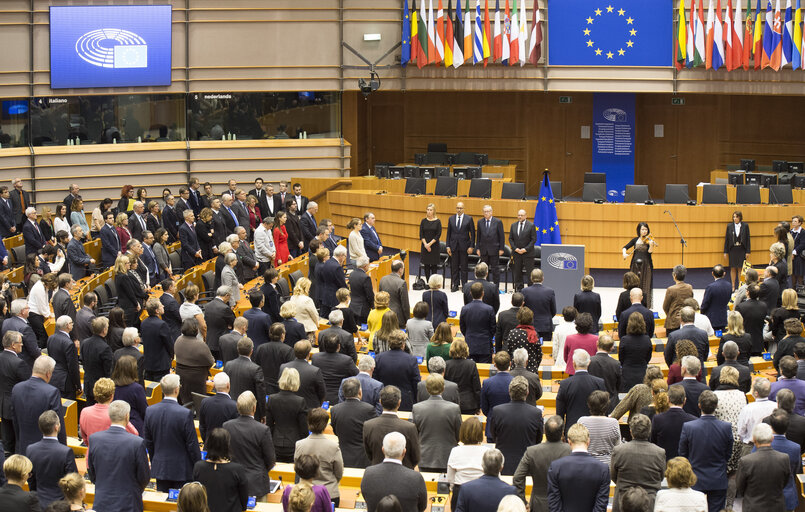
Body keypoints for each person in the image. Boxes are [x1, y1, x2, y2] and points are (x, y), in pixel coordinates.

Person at [87, 400, 150, 512]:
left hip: (102, 502)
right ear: (127, 416)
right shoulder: (137, 443)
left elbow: (92, 474)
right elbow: (144, 477)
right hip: (128, 504)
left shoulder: (94, 439)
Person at [143, 374, 201, 491]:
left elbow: (148, 442)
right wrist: (198, 466)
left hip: (160, 468)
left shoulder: (150, 411)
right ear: (176, 389)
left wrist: (157, 460)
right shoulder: (185, 413)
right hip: (182, 470)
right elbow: (192, 444)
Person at [678, 390, 733, 512]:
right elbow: (728, 454)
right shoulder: (726, 427)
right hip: (717, 478)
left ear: (699, 405)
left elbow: (682, 454)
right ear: (716, 406)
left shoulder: (689, 427)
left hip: (695, 479)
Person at [222, 391, 276, 500]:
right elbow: (271, 460)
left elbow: (224, 454)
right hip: (256, 484)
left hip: (233, 481)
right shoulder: (262, 429)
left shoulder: (227, 426)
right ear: (254, 408)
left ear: (238, 407)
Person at [547, 423, 610, 512]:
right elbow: (601, 505)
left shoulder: (556, 467)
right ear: (588, 441)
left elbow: (554, 504)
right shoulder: (603, 469)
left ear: (569, 442)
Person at [512, 415, 569, 512]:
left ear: (544, 432)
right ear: (562, 433)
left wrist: (523, 501)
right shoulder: (570, 451)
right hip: (563, 504)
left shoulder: (532, 451)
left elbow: (517, 478)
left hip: (538, 505)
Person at [609, 414, 666, 512]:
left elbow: (613, 476)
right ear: (649, 432)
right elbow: (661, 477)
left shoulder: (619, 450)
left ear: (631, 431)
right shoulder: (659, 452)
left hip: (622, 499)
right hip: (650, 503)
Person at [12, 355, 66, 455]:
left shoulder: (16, 389)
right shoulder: (52, 392)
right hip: (44, 453)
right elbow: (58, 424)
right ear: (48, 374)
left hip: (22, 449)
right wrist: (63, 451)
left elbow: (15, 422)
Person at [361, 432, 427, 512]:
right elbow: (422, 507)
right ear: (404, 452)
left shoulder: (369, 474)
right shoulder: (416, 478)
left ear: (383, 450)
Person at [490, 376, 543, 476]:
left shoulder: (497, 411)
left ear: (509, 391)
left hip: (503, 464)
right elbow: (538, 439)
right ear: (527, 393)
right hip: (526, 465)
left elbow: (494, 436)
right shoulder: (536, 413)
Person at [411, 374, 462, 472]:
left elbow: (415, 434)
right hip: (448, 456)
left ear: (427, 388)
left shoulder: (417, 408)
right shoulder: (454, 408)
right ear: (443, 388)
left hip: (425, 457)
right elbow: (459, 435)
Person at [735, 422, 791, 511]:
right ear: (772, 438)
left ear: (754, 439)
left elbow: (740, 487)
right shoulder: (784, 458)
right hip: (777, 507)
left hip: (753, 507)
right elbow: (785, 482)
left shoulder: (746, 461)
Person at [294, 409, 344, 506]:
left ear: (308, 423)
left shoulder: (299, 444)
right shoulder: (333, 446)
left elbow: (298, 469)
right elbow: (339, 472)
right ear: (325, 425)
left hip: (304, 492)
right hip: (329, 492)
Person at [362, 385, 421, 468]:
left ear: (380, 402)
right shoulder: (410, 428)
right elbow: (416, 457)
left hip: (377, 473)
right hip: (404, 475)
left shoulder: (368, 426)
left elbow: (369, 455)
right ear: (399, 403)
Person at [192, 428, 248, 512]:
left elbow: (195, 495)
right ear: (227, 445)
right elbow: (244, 498)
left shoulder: (198, 467)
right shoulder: (237, 469)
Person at [330, 377, 377, 468]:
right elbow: (373, 432)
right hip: (363, 457)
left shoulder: (335, 409)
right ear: (360, 392)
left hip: (342, 455)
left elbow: (336, 431)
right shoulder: (368, 409)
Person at [556, 349, 607, 433]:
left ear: (573, 363)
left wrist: (561, 432)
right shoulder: (599, 383)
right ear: (589, 363)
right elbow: (605, 409)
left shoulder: (565, 384)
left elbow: (560, 413)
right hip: (595, 430)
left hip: (572, 431)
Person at [265, 367, 309, 463]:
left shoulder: (272, 399)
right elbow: (304, 429)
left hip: (276, 443)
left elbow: (269, 425)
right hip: (294, 444)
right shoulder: (300, 401)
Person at [0, 331, 31, 455]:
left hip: (2, 405)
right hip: (16, 407)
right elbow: (29, 385)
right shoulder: (19, 363)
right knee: (19, 440)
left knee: (7, 441)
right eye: (20, 343)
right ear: (13, 345)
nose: (22, 345)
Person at [374, 330, 420, 411]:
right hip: (405, 401)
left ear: (389, 343)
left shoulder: (379, 358)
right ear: (403, 345)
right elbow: (416, 383)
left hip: (384, 400)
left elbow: (375, 381)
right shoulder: (411, 360)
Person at [311, 331, 358, 405]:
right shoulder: (346, 360)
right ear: (339, 346)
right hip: (338, 399)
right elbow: (356, 375)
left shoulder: (315, 357)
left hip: (319, 397)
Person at [174, 319, 214, 404]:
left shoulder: (178, 340)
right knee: (198, 402)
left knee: (184, 400)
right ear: (196, 329)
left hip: (181, 376)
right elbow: (211, 362)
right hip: (197, 378)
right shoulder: (200, 345)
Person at [80, 317, 115, 405]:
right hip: (101, 389)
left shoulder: (84, 342)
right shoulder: (105, 348)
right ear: (104, 330)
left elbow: (83, 362)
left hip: (88, 385)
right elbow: (108, 371)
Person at [459, 282, 496, 363]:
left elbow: (462, 327)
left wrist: (468, 335)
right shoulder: (489, 309)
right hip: (485, 345)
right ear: (483, 293)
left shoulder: (465, 309)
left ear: (470, 293)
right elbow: (493, 328)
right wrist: (487, 336)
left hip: (470, 345)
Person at [480, 351, 513, 441]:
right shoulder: (515, 381)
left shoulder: (487, 383)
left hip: (492, 425)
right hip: (511, 426)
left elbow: (484, 408)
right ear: (510, 364)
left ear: (495, 365)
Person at [45, 316, 80, 399]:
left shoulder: (50, 338)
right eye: (72, 323)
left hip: (53, 378)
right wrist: (78, 385)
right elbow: (73, 367)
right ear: (67, 325)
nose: (73, 325)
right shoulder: (69, 344)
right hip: (66, 383)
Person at [444, 339, 482, 415]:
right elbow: (477, 387)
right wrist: (478, 405)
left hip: (451, 402)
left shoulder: (446, 365)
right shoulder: (471, 364)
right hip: (469, 404)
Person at [502, 306, 542, 372]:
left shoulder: (512, 333)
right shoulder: (534, 334)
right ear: (531, 319)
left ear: (518, 318)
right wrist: (535, 366)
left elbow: (509, 351)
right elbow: (539, 354)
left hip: (515, 368)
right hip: (531, 369)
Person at [587, 335, 622, 412]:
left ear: (597, 344)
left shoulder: (589, 361)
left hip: (592, 402)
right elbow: (618, 385)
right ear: (611, 348)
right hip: (610, 403)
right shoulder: (616, 364)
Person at [445, 202, 474, 291]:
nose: (459, 210)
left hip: (464, 246)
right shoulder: (451, 218)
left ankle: (464, 284)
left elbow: (473, 234)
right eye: (457, 208)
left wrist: (471, 246)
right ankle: (455, 284)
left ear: (464, 209)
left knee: (464, 267)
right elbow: (448, 233)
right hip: (454, 246)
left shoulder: (469, 219)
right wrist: (448, 246)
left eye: (461, 208)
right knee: (454, 267)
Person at [522, 269, 556, 341]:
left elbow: (523, 309)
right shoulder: (550, 291)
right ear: (542, 278)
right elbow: (553, 311)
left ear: (531, 278)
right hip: (546, 326)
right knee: (546, 350)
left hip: (530, 326)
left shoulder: (524, 291)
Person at [474, 205, 505, 285]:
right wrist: (477, 248)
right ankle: (485, 285)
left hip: (494, 250)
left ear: (491, 212)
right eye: (485, 212)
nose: (486, 213)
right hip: (483, 250)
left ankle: (496, 287)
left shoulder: (498, 222)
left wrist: (501, 249)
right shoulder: (480, 222)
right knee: (484, 270)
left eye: (488, 211)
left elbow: (501, 236)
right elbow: (478, 237)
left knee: (495, 269)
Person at [509, 209, 537, 292]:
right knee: (517, 272)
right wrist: (515, 249)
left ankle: (530, 289)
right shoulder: (513, 225)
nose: (520, 217)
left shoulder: (531, 225)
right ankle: (519, 289)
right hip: (516, 253)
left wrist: (525, 249)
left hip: (528, 253)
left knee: (529, 273)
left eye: (521, 215)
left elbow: (533, 239)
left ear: (525, 216)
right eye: (518, 215)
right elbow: (510, 239)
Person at [736, 284, 768, 355]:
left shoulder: (741, 307)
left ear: (747, 292)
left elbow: (737, 325)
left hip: (744, 343)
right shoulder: (764, 306)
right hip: (758, 343)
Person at [724, 210, 751, 290]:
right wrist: (725, 251)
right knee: (732, 268)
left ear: (740, 218)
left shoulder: (745, 226)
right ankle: (732, 286)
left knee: (740, 268)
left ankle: (740, 286)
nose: (734, 218)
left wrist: (748, 251)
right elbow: (727, 239)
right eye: (734, 217)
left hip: (741, 249)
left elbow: (748, 239)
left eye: (736, 217)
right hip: (733, 249)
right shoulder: (729, 226)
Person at [663, 265, 694, 335]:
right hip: (687, 319)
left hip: (673, 322)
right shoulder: (689, 287)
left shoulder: (671, 289)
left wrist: (670, 314)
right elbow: (691, 302)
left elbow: (665, 307)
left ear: (674, 275)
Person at [700, 265, 732, 332]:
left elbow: (705, 303)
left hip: (712, 319)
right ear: (724, 273)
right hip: (723, 318)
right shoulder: (729, 285)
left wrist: (701, 313)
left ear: (712, 273)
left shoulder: (711, 287)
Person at [418, 204, 442, 280]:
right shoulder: (423, 221)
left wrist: (430, 244)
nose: (429, 211)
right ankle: (428, 281)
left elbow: (438, 235)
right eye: (427, 210)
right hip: (425, 246)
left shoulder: (438, 221)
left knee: (434, 266)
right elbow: (421, 234)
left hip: (434, 246)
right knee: (426, 265)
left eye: (430, 210)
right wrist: (426, 245)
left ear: (434, 211)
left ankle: (433, 282)